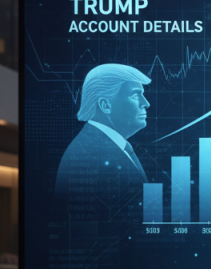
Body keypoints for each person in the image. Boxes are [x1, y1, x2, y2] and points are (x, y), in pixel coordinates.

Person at [54, 63, 151, 222]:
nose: (146, 103)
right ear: (105, 105)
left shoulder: (105, 145)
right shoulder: (88, 153)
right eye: (135, 95)